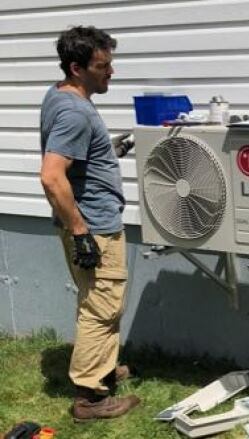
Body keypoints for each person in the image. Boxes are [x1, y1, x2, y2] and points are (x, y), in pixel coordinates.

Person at [39, 25, 139, 421]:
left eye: (110, 63)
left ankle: (102, 368)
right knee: (102, 306)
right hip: (93, 226)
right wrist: (82, 233)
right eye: (102, 66)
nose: (110, 72)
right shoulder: (76, 111)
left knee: (97, 300)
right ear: (77, 68)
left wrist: (106, 151)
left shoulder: (58, 94)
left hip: (87, 221)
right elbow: (51, 175)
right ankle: (90, 399)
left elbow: (69, 156)